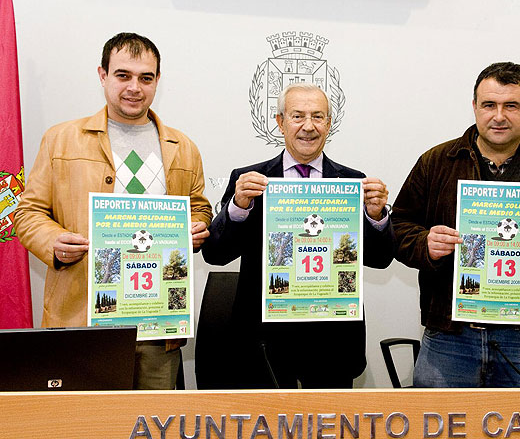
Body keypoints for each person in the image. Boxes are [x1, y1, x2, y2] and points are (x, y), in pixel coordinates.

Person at [14, 32, 212, 389]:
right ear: (102, 75)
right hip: (83, 322)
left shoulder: (183, 147)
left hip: (157, 323)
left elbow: (199, 208)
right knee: (86, 424)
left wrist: (196, 227)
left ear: (157, 82)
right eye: (123, 75)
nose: (134, 87)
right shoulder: (60, 139)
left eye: (145, 78)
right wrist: (54, 241)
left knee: (154, 425)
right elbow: (27, 214)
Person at [391, 62, 520, 388]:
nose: (499, 116)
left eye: (511, 106)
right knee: (437, 433)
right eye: (489, 105)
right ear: (474, 107)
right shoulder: (436, 162)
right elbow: (399, 228)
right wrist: (424, 244)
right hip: (450, 336)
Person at [201, 83, 394, 389]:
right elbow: (215, 253)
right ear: (279, 123)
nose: (308, 126)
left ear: (329, 124)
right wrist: (238, 208)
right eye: (297, 116)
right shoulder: (248, 180)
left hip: (332, 344)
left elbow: (381, 259)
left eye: (318, 117)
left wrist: (375, 216)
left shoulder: (354, 182)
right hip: (262, 345)